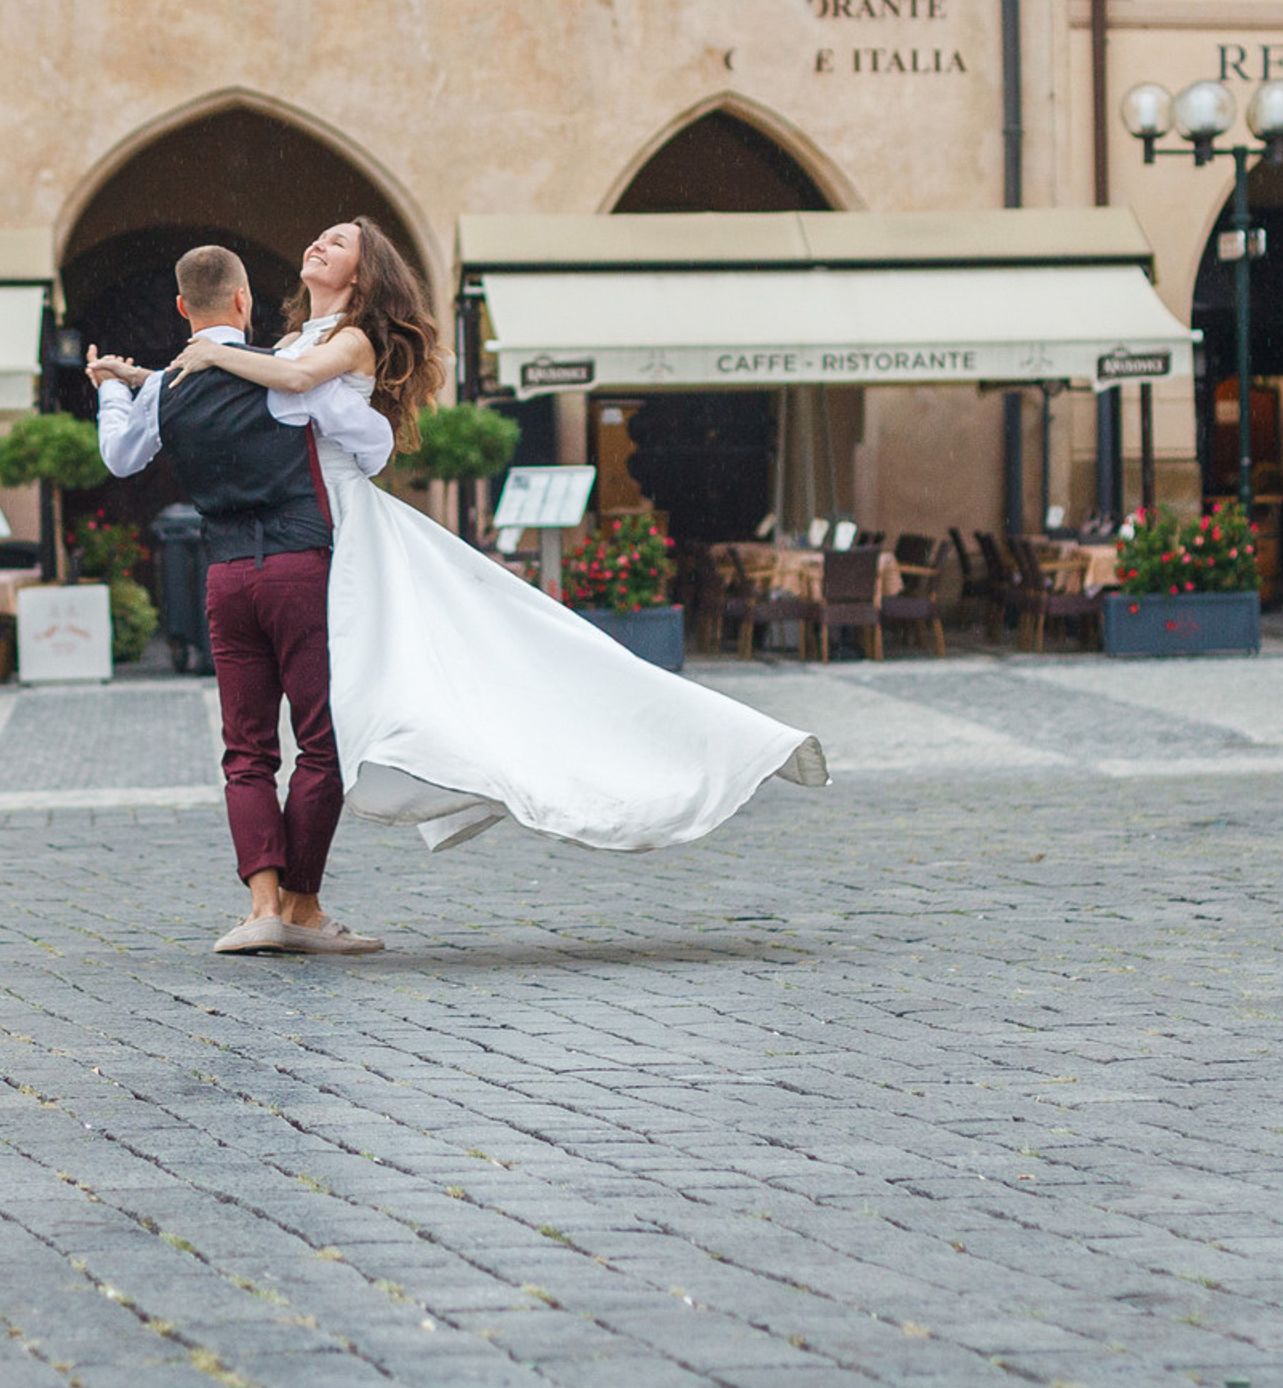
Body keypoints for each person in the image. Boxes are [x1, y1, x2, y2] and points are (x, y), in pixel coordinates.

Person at [167, 217, 826, 856]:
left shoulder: (353, 336)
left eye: (337, 242)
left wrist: (215, 351)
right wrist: (140, 385)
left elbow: (299, 380)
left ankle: (703, 748)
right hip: (296, 522)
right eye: (320, 235)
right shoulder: (288, 339)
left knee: (491, 650)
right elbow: (256, 390)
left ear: (363, 276)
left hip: (337, 524)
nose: (317, 242)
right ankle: (296, 888)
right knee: (384, 694)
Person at [90, 245, 395, 958]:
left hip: (224, 574)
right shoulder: (283, 382)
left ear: (180, 309)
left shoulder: (167, 392)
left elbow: (119, 457)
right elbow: (371, 443)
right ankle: (303, 904)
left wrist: (114, 385)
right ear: (244, 303)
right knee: (320, 742)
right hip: (299, 568)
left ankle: (262, 906)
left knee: (245, 750)